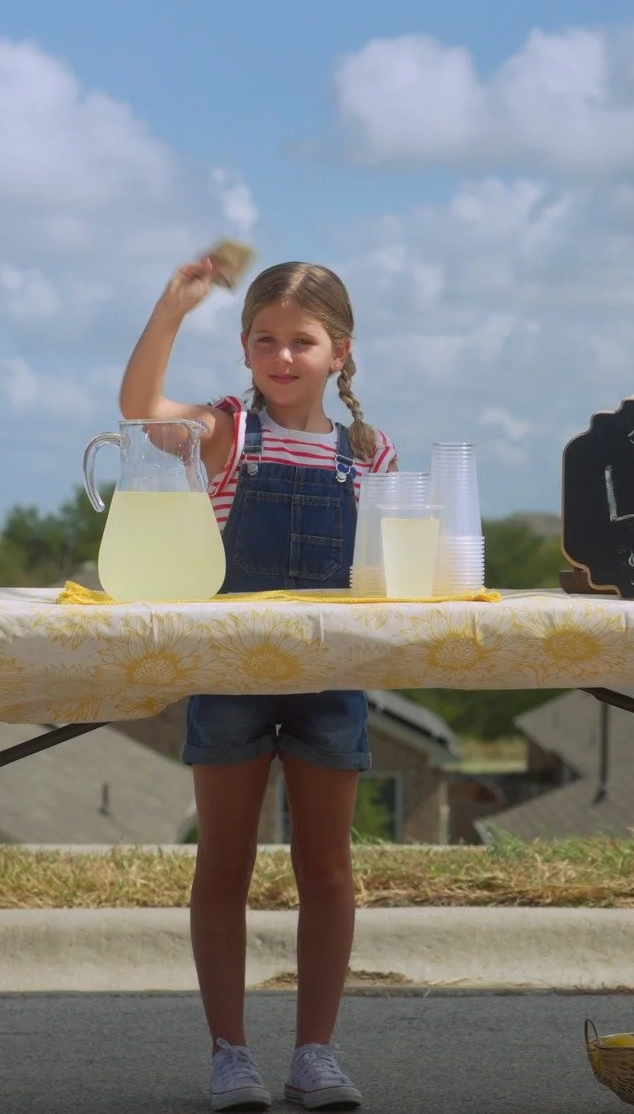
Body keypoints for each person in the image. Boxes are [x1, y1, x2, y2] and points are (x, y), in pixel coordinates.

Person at [117, 253, 397, 1112]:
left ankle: (316, 1053)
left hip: (331, 677)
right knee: (224, 865)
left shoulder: (369, 452)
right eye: (266, 341)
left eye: (302, 342)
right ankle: (230, 1053)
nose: (284, 357)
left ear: (340, 352)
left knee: (328, 868)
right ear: (244, 350)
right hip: (229, 674)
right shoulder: (229, 432)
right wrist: (170, 309)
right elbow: (137, 411)